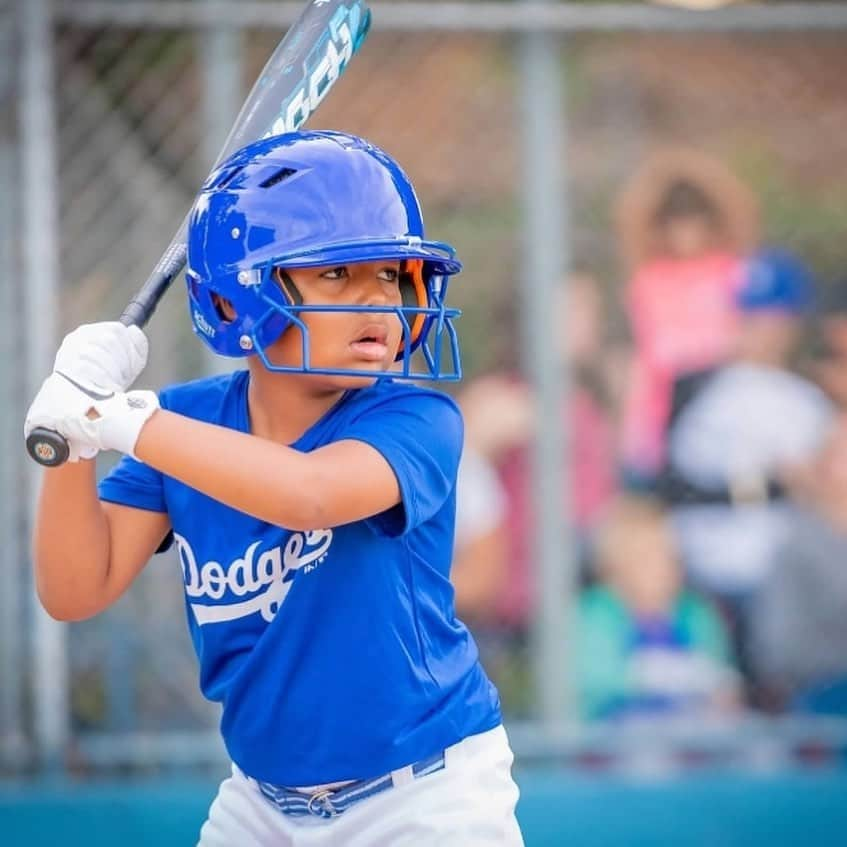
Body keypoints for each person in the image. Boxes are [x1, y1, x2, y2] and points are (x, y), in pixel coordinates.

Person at [25, 131, 524, 846]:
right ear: (237, 302)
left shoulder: (414, 417)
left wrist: (120, 420)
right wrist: (71, 435)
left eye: (389, 275)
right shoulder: (186, 424)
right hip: (261, 805)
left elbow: (310, 493)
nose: (376, 301)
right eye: (335, 275)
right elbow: (75, 588)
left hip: (425, 795)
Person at [660, 248, 834, 688]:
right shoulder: (696, 388)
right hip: (694, 574)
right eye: (749, 315)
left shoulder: (806, 400)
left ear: (791, 323)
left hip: (778, 579)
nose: (758, 328)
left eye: (770, 316)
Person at [615, 150, 759, 486]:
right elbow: (651, 349)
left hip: (720, 388)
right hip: (666, 395)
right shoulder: (649, 280)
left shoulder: (731, 271)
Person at [574, 496, 739, 722]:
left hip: (694, 736)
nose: (663, 568)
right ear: (614, 567)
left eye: (668, 557)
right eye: (646, 559)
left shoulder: (695, 612)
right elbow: (594, 686)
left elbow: (722, 683)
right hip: (616, 740)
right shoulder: (595, 614)